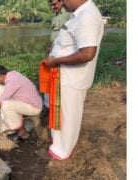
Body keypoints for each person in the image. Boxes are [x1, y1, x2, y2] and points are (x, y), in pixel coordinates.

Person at [43, 0, 104, 160]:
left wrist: (55, 61)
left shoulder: (87, 16)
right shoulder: (79, 14)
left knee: (69, 114)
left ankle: (64, 149)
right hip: (66, 76)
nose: (62, 3)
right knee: (63, 112)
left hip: (72, 78)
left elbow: (87, 54)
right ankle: (60, 145)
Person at [0, 65, 43, 141]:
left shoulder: (12, 82)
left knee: (5, 104)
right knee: (1, 88)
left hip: (34, 107)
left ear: (2, 76)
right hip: (31, 101)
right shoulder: (12, 74)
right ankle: (10, 115)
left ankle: (22, 132)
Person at [43, 0, 70, 109]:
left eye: (54, 4)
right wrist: (48, 49)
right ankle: (49, 104)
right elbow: (53, 35)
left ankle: (61, 104)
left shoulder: (69, 14)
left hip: (62, 50)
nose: (52, 6)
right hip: (53, 49)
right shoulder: (55, 16)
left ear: (61, 2)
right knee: (50, 75)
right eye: (51, 5)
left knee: (60, 77)